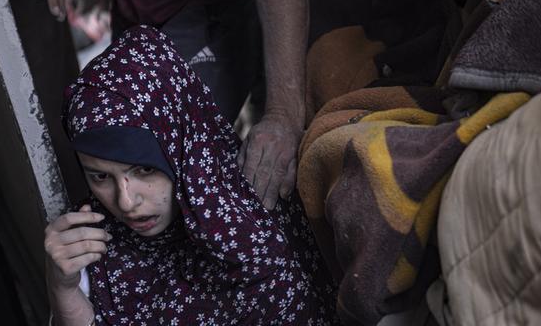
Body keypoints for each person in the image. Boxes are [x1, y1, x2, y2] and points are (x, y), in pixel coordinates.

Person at [46, 25, 335, 325]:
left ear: (183, 144)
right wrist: (63, 289)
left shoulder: (260, 220)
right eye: (100, 177)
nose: (127, 202)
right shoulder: (91, 250)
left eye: (145, 169)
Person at [0, 0, 307, 211]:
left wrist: (283, 113)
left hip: (213, 7)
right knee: (127, 157)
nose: (126, 202)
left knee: (171, 169)